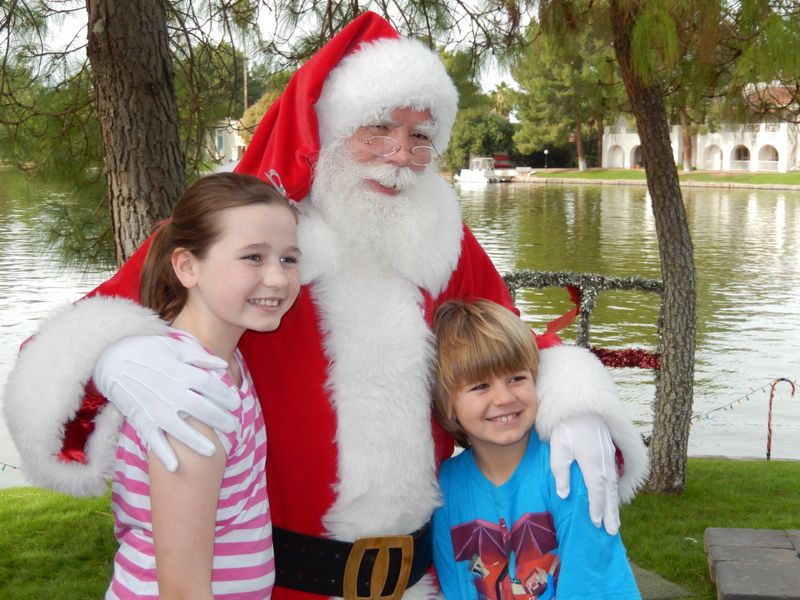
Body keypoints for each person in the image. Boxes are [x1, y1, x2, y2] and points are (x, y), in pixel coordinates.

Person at [3, 12, 648, 600]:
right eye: (378, 130)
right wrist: (120, 358)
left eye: (420, 136)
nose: (401, 154)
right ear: (331, 130)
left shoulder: (441, 237)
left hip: (425, 581)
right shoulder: (250, 236)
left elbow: (510, 351)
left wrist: (575, 408)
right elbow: (63, 356)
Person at [105, 172, 300, 598]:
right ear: (188, 266)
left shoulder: (217, 362)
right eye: (252, 257)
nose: (278, 279)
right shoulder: (190, 394)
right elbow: (182, 590)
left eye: (289, 259)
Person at [431, 300, 641, 599]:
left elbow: (594, 583)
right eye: (480, 386)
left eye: (516, 378)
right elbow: (455, 587)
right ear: (448, 405)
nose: (504, 398)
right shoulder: (444, 489)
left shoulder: (567, 473)